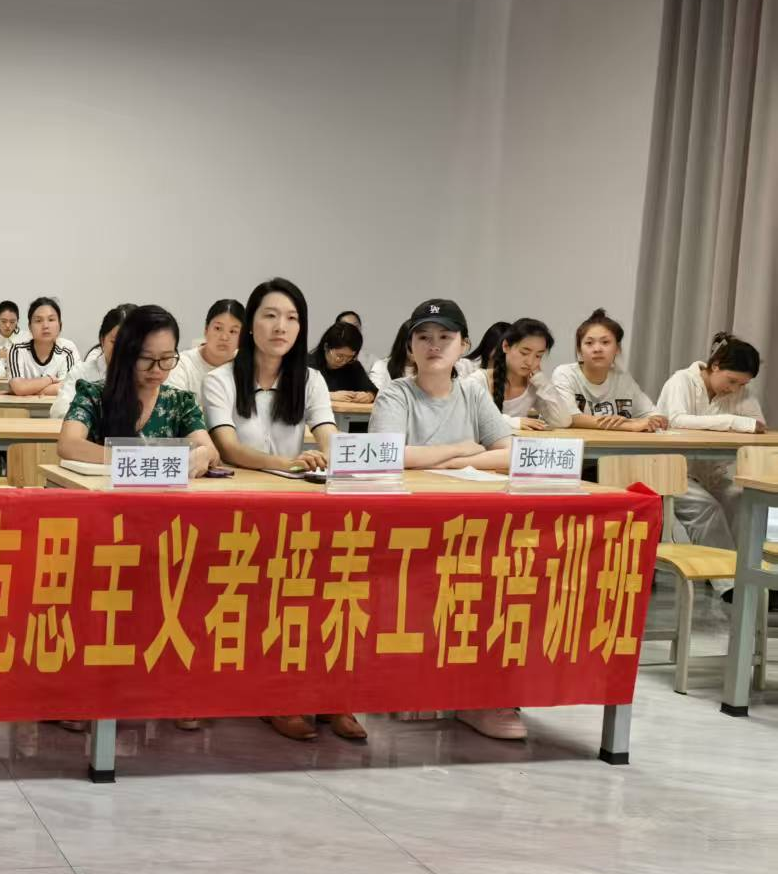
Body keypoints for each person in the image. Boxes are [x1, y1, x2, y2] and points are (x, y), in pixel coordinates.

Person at [205, 279, 359, 743]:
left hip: (298, 509)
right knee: (274, 598)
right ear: (251, 324)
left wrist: (333, 455)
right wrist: (287, 463)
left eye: (292, 318)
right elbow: (229, 449)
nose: (281, 327)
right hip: (239, 512)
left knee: (332, 593)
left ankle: (331, 693)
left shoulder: (310, 380)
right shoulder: (220, 379)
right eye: (270, 316)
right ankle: (276, 694)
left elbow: (329, 434)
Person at [369, 298, 521, 741]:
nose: (434, 345)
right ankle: (427, 685)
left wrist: (451, 462)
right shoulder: (397, 393)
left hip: (472, 528)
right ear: (410, 346)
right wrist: (460, 449)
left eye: (445, 337)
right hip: (409, 530)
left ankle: (485, 694)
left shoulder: (472, 392)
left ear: (464, 345)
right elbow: (388, 455)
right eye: (423, 337)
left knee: (507, 583)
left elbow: (509, 452)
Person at [657, 333, 767, 600]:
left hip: (713, 472)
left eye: (742, 384)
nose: (735, 389)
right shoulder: (681, 381)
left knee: (743, 499)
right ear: (715, 366)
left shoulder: (740, 391)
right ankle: (728, 583)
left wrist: (744, 422)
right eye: (732, 381)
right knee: (707, 508)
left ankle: (750, 577)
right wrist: (735, 422)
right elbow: (678, 420)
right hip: (672, 471)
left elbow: (757, 425)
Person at [57, 304, 216, 472]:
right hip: (102, 488)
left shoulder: (181, 403)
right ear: (126, 354)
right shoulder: (93, 396)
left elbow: (210, 451)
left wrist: (205, 453)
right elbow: (68, 444)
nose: (156, 369)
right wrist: (141, 459)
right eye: (146, 358)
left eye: (166, 358)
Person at [551, 308, 669, 431]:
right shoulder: (565, 374)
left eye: (605, 342)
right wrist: (629, 425)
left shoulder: (623, 379)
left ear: (617, 348)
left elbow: (657, 416)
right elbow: (569, 418)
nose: (597, 349)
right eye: (589, 343)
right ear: (579, 350)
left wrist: (655, 420)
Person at [483, 318, 573, 431]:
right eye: (524, 353)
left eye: (538, 356)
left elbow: (563, 421)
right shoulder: (479, 380)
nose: (530, 362)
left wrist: (542, 381)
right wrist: (515, 422)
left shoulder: (533, 386)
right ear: (505, 346)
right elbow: (476, 418)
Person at [51, 304, 132, 418]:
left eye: (130, 343)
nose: (122, 349)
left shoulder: (151, 375)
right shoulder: (81, 373)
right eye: (115, 342)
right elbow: (59, 412)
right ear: (102, 340)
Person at [167, 298, 244, 412]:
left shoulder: (249, 365)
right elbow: (174, 409)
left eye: (233, 331)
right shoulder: (182, 364)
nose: (224, 337)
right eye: (218, 328)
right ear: (206, 329)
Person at [7, 297, 77, 397]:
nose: (45, 326)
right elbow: (19, 387)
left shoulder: (68, 349)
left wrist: (28, 390)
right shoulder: (17, 350)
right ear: (30, 326)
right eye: (38, 321)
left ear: (60, 325)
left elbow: (69, 387)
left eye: (51, 320)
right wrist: (50, 379)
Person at [309, 321, 377, 401]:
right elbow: (299, 393)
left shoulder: (353, 366)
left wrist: (370, 396)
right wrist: (329, 395)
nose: (344, 361)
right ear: (326, 347)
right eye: (339, 356)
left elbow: (374, 390)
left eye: (350, 357)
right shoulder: (307, 365)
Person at [0, 299, 27, 364]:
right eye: (3, 321)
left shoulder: (26, 338)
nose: (8, 325)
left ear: (17, 321)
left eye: (12, 322)